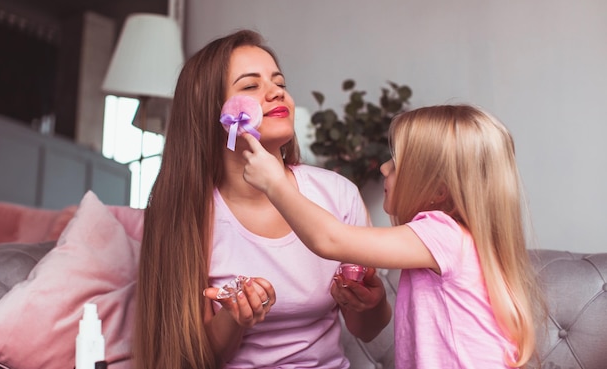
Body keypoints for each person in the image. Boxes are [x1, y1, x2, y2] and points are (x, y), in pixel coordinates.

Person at [133, 29, 392, 369]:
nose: (276, 93)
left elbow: (367, 329)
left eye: (280, 83)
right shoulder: (186, 214)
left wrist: (371, 304)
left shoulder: (337, 194)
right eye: (250, 86)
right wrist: (235, 318)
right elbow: (194, 357)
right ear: (209, 112)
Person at [241, 104, 545, 368]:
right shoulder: (458, 240)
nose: (385, 168)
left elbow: (330, 240)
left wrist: (274, 184)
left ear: (439, 191)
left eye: (398, 164)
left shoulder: (441, 232)